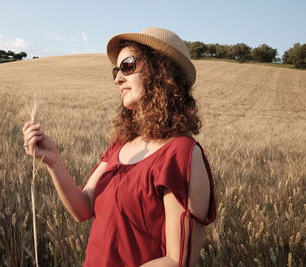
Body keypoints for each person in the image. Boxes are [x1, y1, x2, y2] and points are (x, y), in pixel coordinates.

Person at [22, 27, 217, 267]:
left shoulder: (182, 153)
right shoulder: (119, 146)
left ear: (162, 72)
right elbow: (83, 209)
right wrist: (53, 160)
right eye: (116, 70)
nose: (117, 78)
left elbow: (179, 260)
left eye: (127, 66)